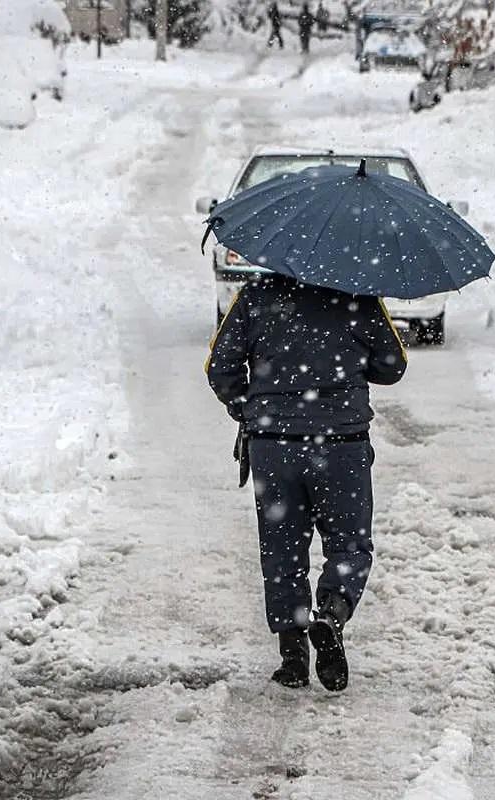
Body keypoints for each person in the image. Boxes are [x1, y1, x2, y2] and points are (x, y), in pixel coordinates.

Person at [206, 274, 407, 692]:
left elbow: (220, 368)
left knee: (281, 547)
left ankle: (292, 657)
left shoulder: (255, 296)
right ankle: (331, 615)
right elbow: (393, 366)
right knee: (349, 544)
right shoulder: (357, 294)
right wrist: (352, 358)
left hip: (273, 445)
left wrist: (248, 407)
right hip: (342, 445)